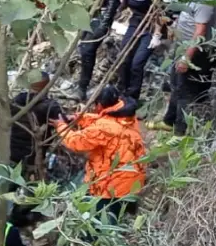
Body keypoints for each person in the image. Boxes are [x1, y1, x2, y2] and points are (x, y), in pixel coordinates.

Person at [55, 85, 147, 220]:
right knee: (118, 211)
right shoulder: (127, 116)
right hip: (133, 177)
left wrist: (60, 126)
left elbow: (75, 142)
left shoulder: (104, 127)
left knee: (97, 218)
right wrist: (79, 118)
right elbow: (104, 118)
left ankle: (95, 236)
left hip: (112, 185)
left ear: (99, 105)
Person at [154, 0, 216, 134]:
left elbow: (200, 31)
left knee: (185, 91)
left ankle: (180, 132)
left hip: (195, 52)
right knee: (176, 85)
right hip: (183, 48)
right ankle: (169, 121)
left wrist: (186, 58)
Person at [78, 0, 121, 102]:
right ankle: (82, 85)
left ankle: (82, 87)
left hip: (101, 16)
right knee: (84, 50)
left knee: (88, 50)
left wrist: (104, 23)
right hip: (91, 15)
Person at [9, 72, 62, 174]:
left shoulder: (14, 102)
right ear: (48, 86)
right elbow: (65, 124)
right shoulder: (50, 107)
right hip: (33, 157)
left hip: (10, 152)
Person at [115, 0, 156, 103]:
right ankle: (122, 92)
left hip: (151, 27)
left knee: (137, 64)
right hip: (135, 23)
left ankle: (132, 97)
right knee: (123, 58)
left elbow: (160, 14)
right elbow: (124, 4)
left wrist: (158, 34)